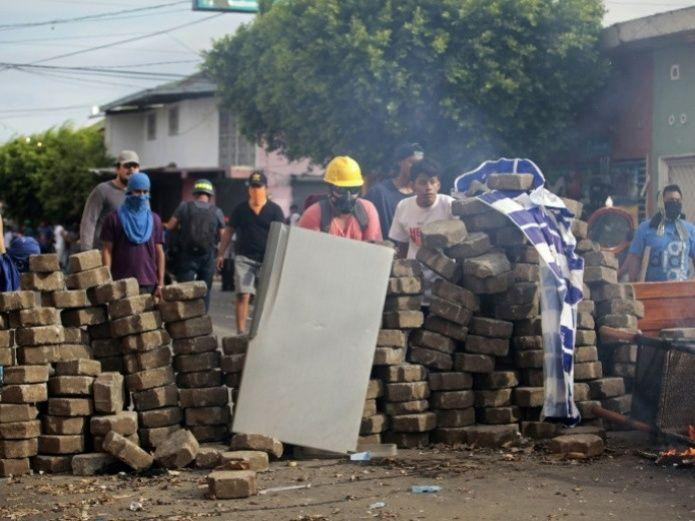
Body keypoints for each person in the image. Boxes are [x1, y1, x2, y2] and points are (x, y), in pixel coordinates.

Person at [216, 170, 285, 335]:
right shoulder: (240, 209)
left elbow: (283, 235)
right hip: (244, 258)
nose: (255, 190)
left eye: (259, 187)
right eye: (252, 187)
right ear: (248, 189)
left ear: (266, 188)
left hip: (267, 259)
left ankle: (261, 332)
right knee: (243, 294)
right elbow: (228, 232)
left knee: (264, 298)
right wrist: (220, 254)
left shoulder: (275, 210)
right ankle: (240, 332)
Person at [389, 158, 454, 296]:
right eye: (423, 182)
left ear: (439, 185)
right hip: (415, 285)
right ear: (412, 185)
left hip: (444, 286)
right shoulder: (403, 206)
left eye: (432, 182)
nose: (428, 187)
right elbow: (402, 246)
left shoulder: (449, 205)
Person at [100, 173, 165, 296]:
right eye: (137, 191)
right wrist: (107, 281)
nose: (142, 196)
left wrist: (161, 284)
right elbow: (107, 251)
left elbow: (159, 252)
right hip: (120, 284)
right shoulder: (113, 218)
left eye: (145, 192)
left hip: (149, 284)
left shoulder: (155, 219)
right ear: (129, 191)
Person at [165, 179, 225, 310]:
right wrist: (220, 255)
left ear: (195, 193)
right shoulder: (217, 211)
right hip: (207, 256)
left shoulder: (184, 207)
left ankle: (184, 321)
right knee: (205, 290)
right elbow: (223, 236)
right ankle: (202, 320)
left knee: (185, 290)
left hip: (186, 255)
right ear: (209, 195)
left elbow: (170, 226)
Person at [298, 156, 382, 241]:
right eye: (341, 189)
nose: (348, 196)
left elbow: (373, 250)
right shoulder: (314, 215)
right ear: (330, 188)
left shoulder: (367, 211)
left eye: (353, 189)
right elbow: (306, 250)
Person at [625, 184, 695, 282]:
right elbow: (635, 258)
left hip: (681, 291)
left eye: (677, 201)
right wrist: (632, 285)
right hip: (653, 290)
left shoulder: (690, 230)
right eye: (670, 200)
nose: (674, 203)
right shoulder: (646, 228)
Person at [80, 150, 140, 251]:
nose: (131, 169)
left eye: (135, 166)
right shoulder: (102, 190)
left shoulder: (140, 194)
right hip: (103, 253)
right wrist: (87, 252)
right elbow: (89, 221)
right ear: (117, 169)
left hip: (127, 255)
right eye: (127, 165)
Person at [365, 143, 424, 240]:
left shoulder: (424, 196)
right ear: (400, 162)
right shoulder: (380, 193)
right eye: (412, 162)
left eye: (419, 164)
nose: (416, 168)